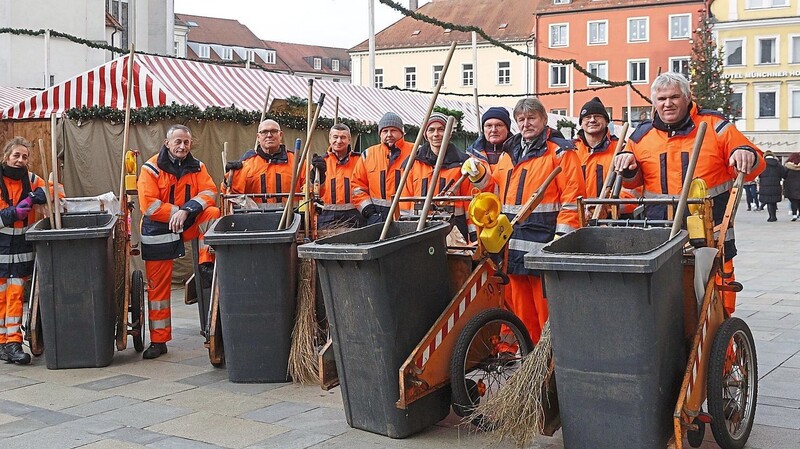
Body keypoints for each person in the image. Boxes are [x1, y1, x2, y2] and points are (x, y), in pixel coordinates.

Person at [613, 72, 764, 314]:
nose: (668, 103)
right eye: (662, 98)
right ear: (654, 102)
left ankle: (725, 348)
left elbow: (754, 162)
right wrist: (627, 164)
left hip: (710, 229)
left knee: (717, 300)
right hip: (659, 230)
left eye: (674, 97)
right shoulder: (641, 136)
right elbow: (633, 182)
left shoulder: (715, 126)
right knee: (666, 303)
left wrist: (746, 153)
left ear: (687, 97)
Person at [463, 97, 586, 344]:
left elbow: (573, 199)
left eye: (531, 118)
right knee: (521, 313)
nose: (526, 123)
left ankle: (551, 362)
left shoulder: (560, 152)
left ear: (543, 119)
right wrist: (479, 177)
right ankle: (529, 359)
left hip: (544, 244)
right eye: (521, 119)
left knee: (547, 313)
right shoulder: (510, 154)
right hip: (513, 245)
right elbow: (496, 190)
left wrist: (562, 239)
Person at [138, 125, 220, 359]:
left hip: (189, 221)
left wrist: (186, 211)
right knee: (158, 288)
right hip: (158, 228)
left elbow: (209, 192)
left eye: (186, 142)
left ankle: (206, 263)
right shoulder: (151, 169)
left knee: (213, 214)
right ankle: (158, 340)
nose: (182, 146)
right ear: (167, 143)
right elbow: (149, 205)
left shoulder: (198, 166)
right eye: (178, 142)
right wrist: (177, 212)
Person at [0, 137, 48, 365]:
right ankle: (4, 343)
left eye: (25, 156)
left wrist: (39, 196)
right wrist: (14, 212)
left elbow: (55, 190)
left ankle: (13, 342)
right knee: (1, 298)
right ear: (6, 157)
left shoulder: (30, 179)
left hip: (20, 251)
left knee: (16, 296)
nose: (20, 160)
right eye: (16, 155)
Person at [400, 112, 472, 240]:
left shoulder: (462, 164)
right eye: (431, 130)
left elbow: (469, 207)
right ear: (425, 134)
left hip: (454, 232)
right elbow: (405, 204)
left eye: (441, 129)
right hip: (420, 230)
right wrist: (405, 231)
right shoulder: (412, 163)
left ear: (449, 133)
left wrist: (472, 236)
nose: (436, 134)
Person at [572, 96, 639, 217]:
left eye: (597, 116)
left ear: (607, 121)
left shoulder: (622, 149)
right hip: (576, 218)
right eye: (587, 117)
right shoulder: (570, 151)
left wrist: (608, 207)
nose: (592, 120)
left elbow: (631, 190)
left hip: (613, 221)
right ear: (581, 123)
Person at [352, 112, 413, 225]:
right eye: (385, 131)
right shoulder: (368, 155)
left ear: (402, 132)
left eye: (393, 130)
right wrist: (369, 212)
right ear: (380, 134)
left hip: (407, 216)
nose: (389, 134)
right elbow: (357, 188)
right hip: (376, 216)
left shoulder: (416, 152)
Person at [227, 119, 305, 207]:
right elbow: (231, 195)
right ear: (258, 137)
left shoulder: (298, 162)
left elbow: (313, 190)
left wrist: (320, 176)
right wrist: (229, 178)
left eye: (273, 131)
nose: (269, 135)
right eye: (264, 132)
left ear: (281, 135)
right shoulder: (246, 164)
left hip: (293, 218)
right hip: (255, 219)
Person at [310, 123, 364, 231]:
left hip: (355, 216)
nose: (339, 141)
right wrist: (314, 175)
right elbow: (311, 192)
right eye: (335, 137)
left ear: (349, 140)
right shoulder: (320, 163)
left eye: (343, 137)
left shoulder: (360, 160)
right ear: (330, 138)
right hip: (326, 217)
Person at [758, 150, 784, 222]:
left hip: (765, 186)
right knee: (773, 201)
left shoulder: (762, 164)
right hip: (776, 185)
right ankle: (774, 216)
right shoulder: (778, 165)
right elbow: (784, 174)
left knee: (769, 201)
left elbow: (758, 174)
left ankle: (771, 216)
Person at [782, 152, 800, 221]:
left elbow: (784, 175)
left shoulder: (788, 167)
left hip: (790, 187)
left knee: (793, 201)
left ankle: (794, 215)